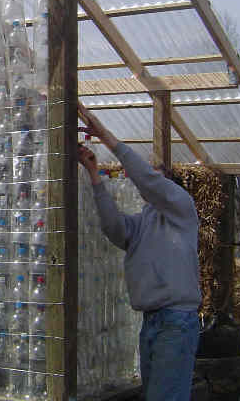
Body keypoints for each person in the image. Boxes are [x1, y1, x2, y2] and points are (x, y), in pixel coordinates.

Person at [76, 102, 200, 401]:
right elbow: (115, 228)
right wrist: (94, 175)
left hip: (176, 320)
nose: (146, 183)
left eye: (156, 179)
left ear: (169, 186)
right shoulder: (144, 221)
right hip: (152, 321)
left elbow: (146, 179)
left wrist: (106, 137)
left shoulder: (182, 210)